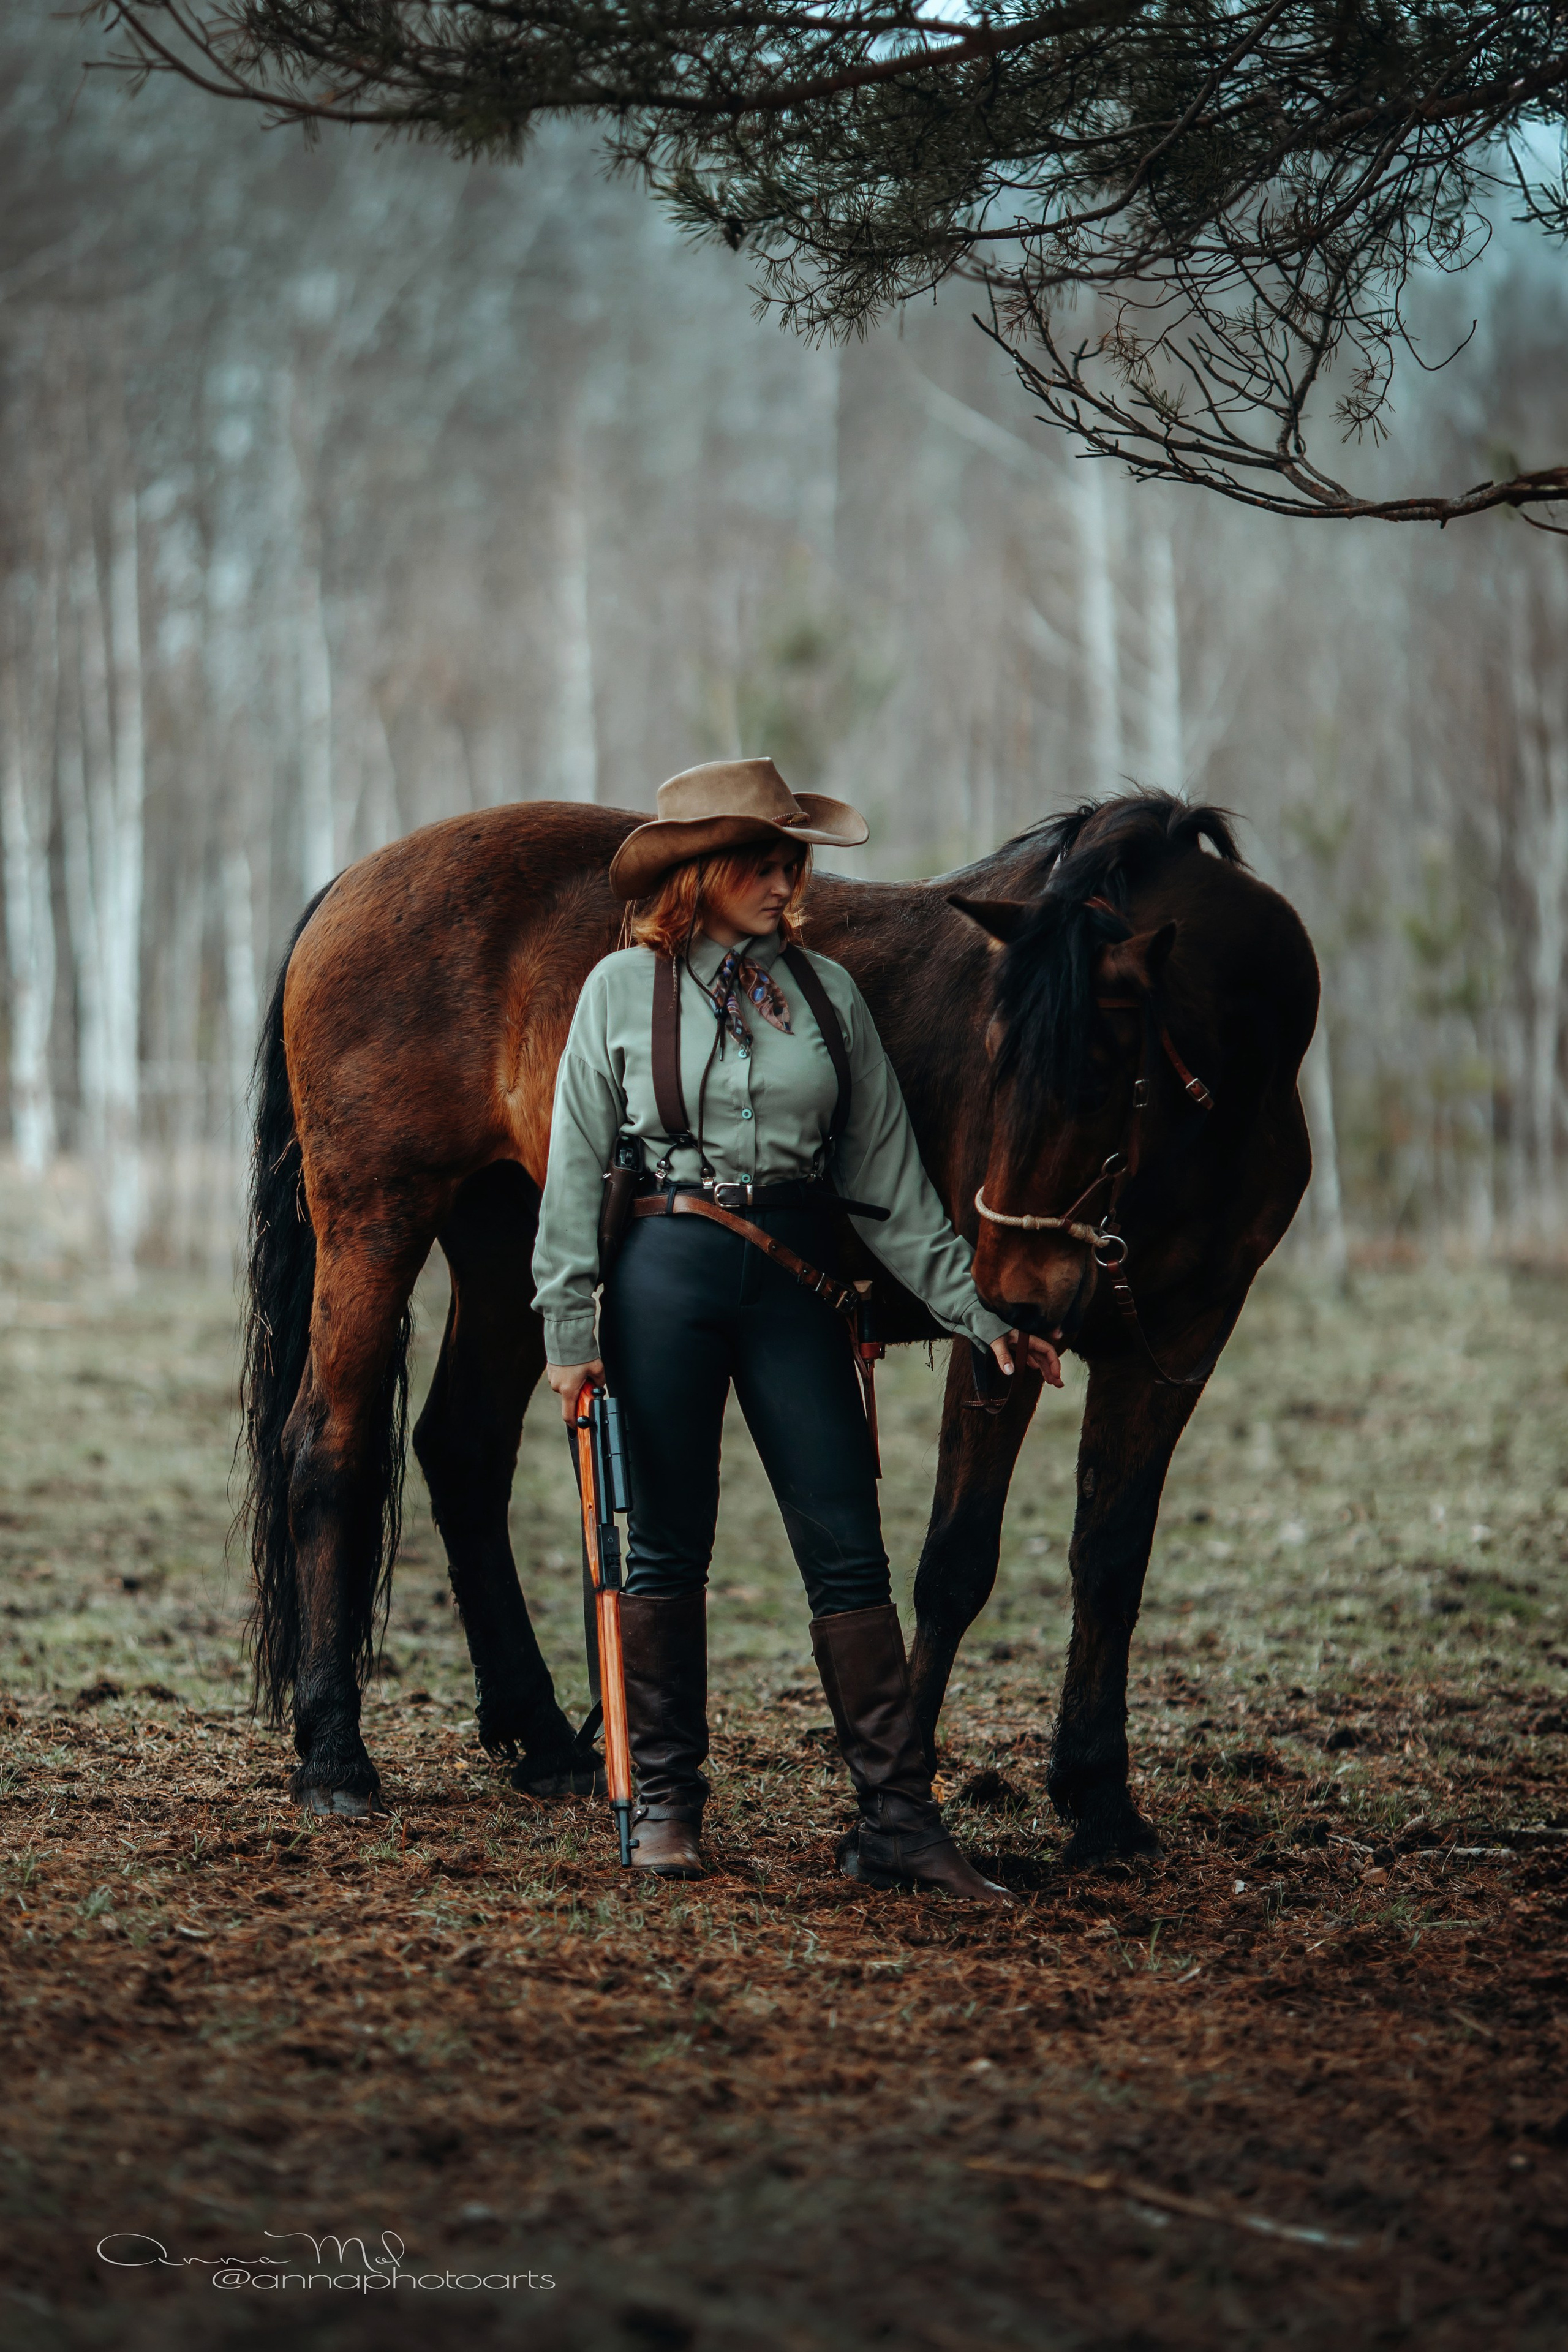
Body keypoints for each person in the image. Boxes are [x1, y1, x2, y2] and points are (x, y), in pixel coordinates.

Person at [531, 758, 1061, 1899]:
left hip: (801, 1282)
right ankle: (668, 1804)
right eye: (764, 861)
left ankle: (900, 1821)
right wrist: (568, 1321)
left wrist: (978, 1313)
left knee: (848, 1545)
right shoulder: (620, 991)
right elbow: (575, 1168)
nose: (788, 879)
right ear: (701, 875)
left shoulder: (827, 996)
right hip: (664, 1273)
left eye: (793, 859)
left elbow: (894, 1184)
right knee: (666, 1545)